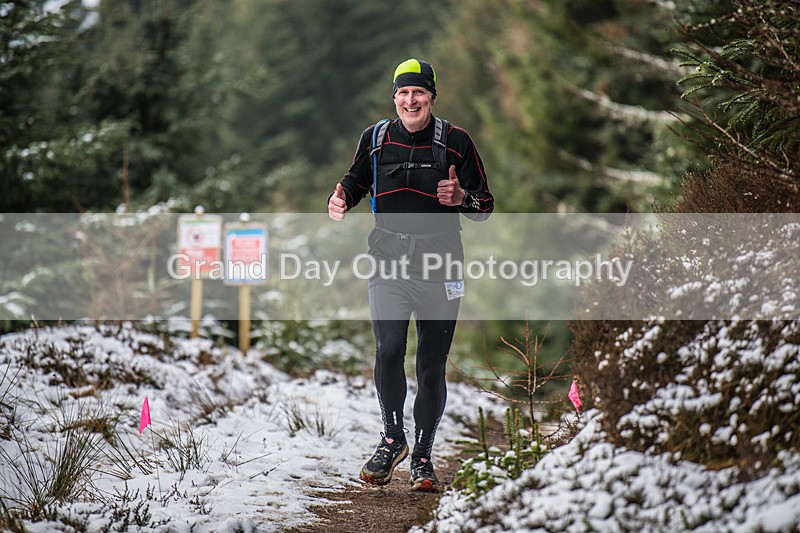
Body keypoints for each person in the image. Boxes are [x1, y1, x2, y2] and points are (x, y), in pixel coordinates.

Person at [328, 58, 493, 492]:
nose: (410, 99)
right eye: (403, 92)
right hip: (388, 263)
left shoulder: (456, 141)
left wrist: (461, 198)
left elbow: (485, 206)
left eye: (419, 91)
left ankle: (422, 456)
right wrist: (341, 196)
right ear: (394, 98)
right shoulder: (376, 139)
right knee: (388, 349)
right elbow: (356, 181)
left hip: (442, 267)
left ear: (432, 97)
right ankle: (391, 439)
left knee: (431, 364)